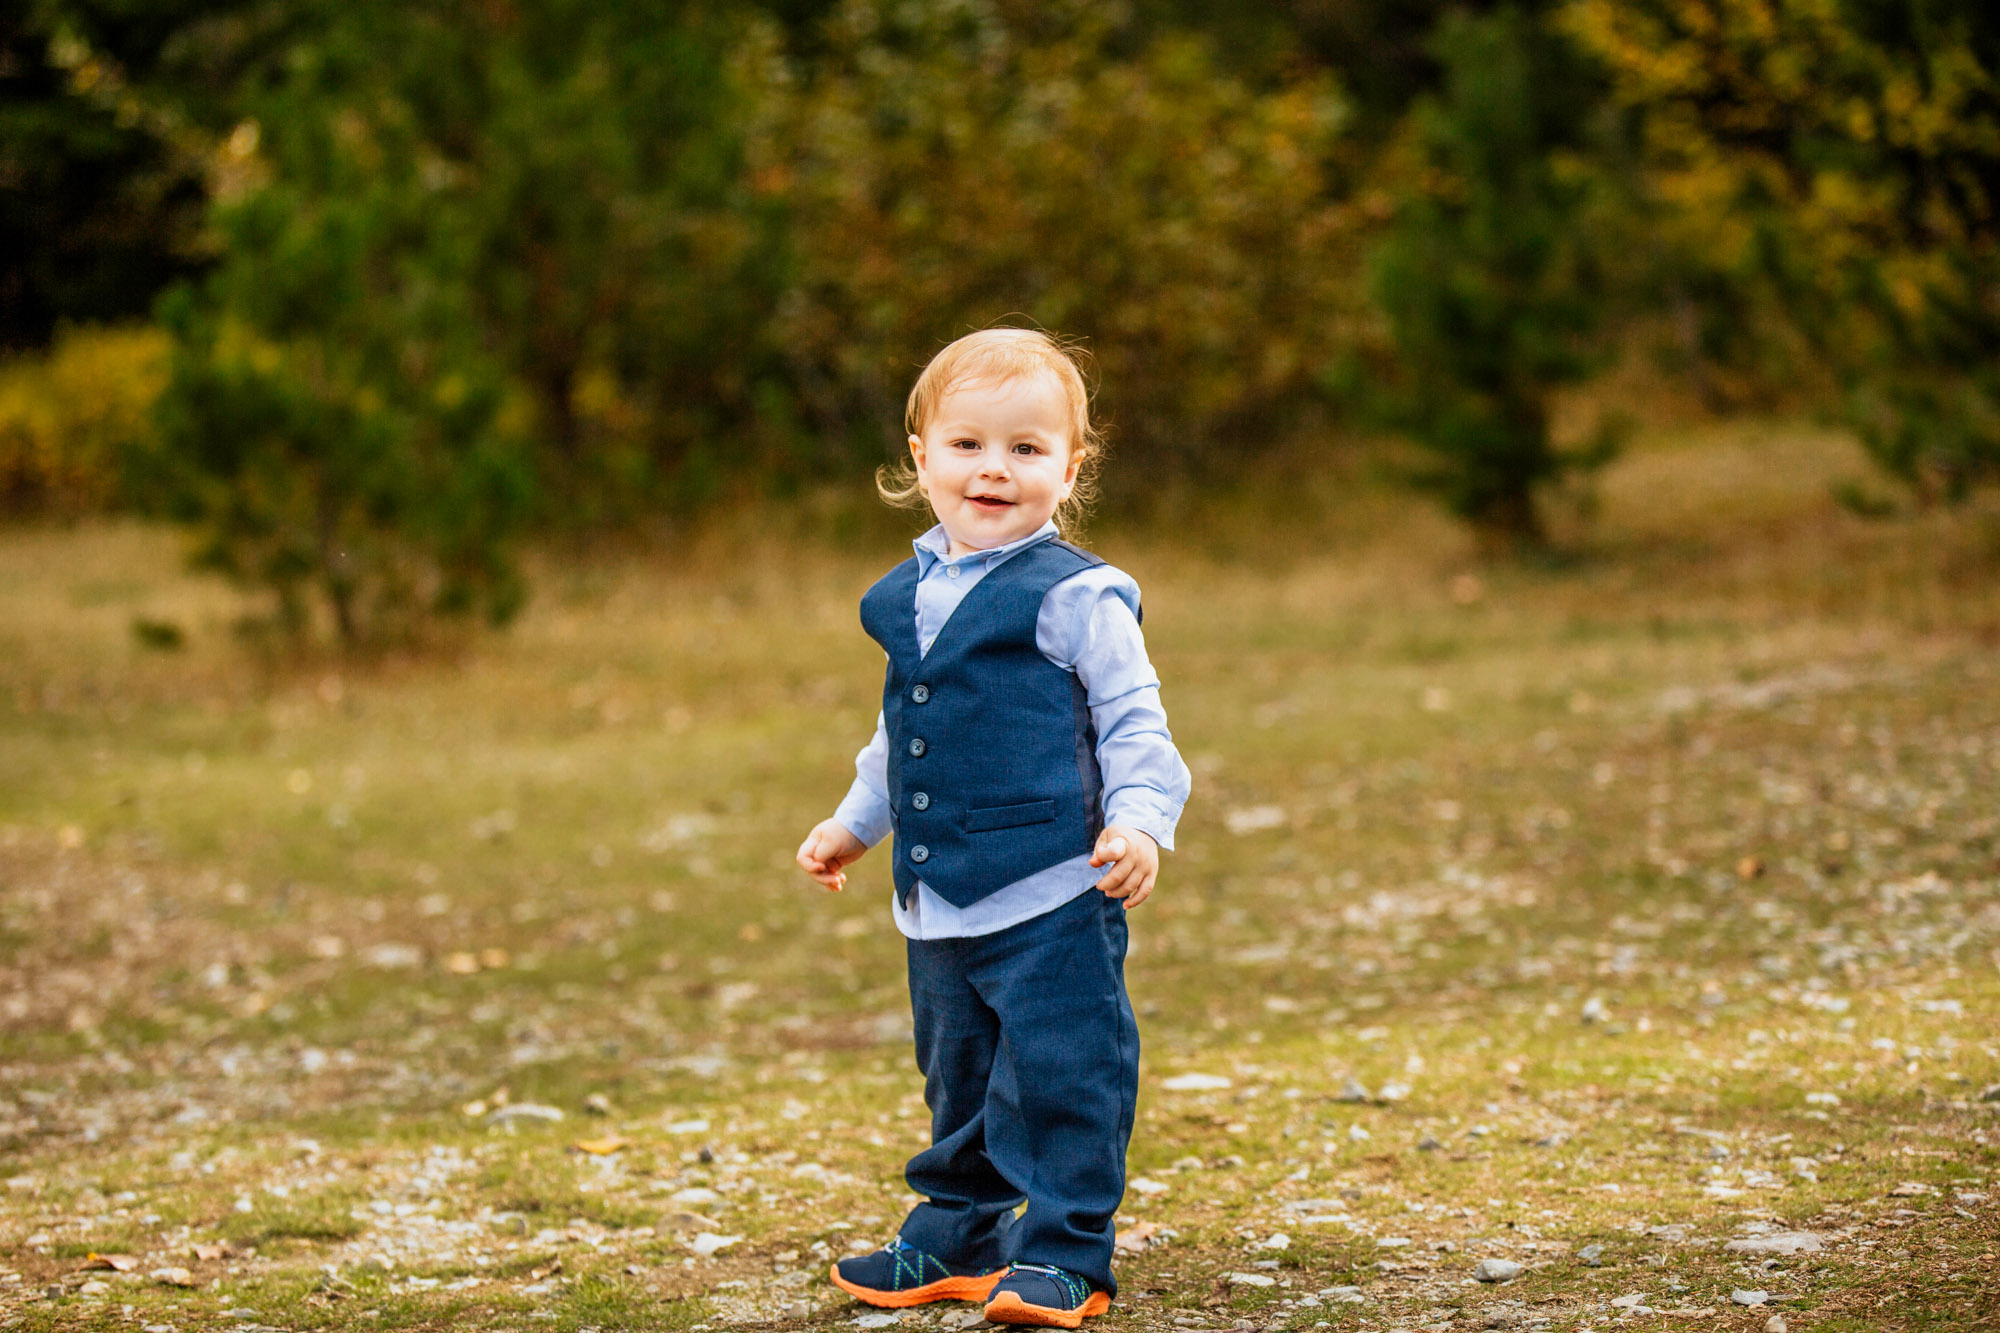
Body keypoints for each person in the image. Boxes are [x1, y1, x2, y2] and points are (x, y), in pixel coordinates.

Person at [795, 327, 1190, 1329]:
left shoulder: (1075, 594)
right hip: (940, 896)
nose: (993, 469)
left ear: (1069, 466)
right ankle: (961, 1228)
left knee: (1062, 1068)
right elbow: (905, 733)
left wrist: (1141, 824)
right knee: (957, 1069)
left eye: (1025, 448)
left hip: (1055, 884)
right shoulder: (911, 595)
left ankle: (1064, 1252)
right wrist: (855, 823)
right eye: (968, 444)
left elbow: (1132, 718)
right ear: (920, 457)